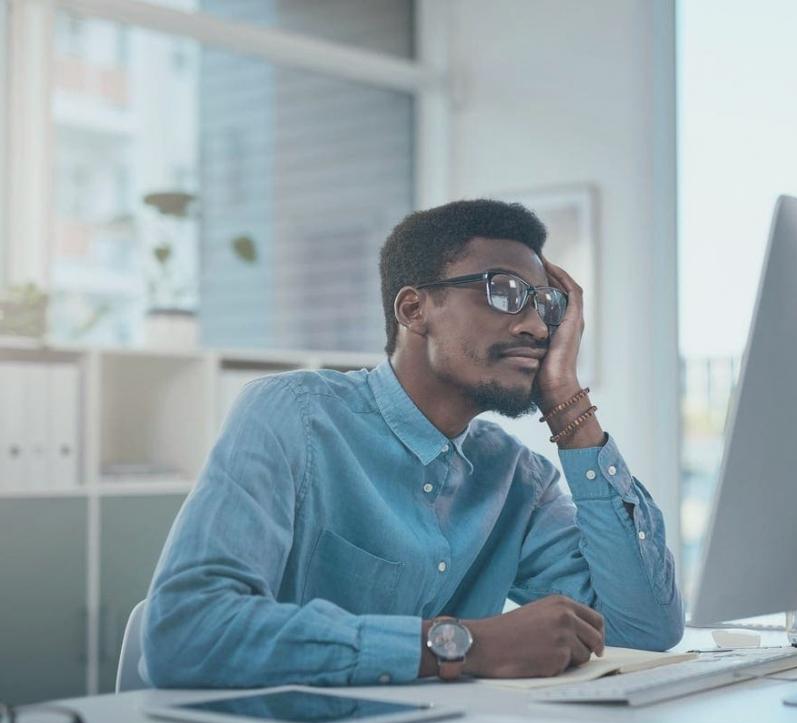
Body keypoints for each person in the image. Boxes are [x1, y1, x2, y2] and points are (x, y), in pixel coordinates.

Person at [142, 199, 684, 687]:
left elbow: (642, 630)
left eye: (545, 305)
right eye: (506, 293)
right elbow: (187, 630)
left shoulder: (517, 479)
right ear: (413, 310)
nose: (538, 329)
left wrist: (567, 402)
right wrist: (461, 645)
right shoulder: (295, 418)